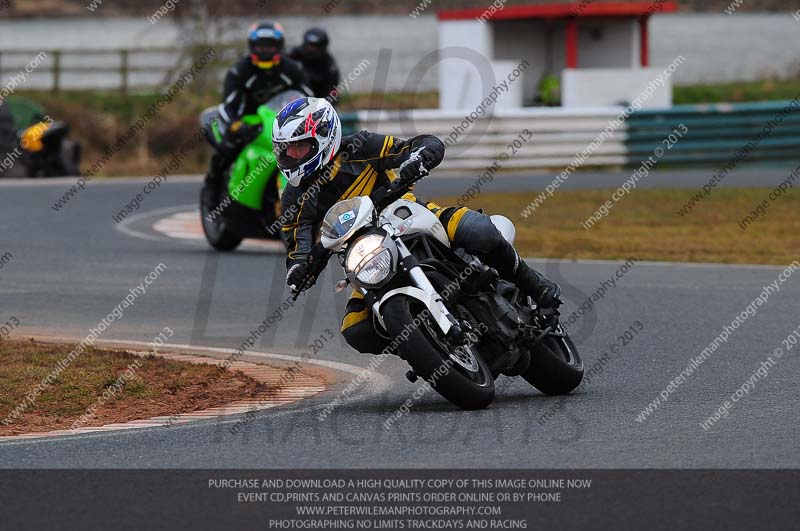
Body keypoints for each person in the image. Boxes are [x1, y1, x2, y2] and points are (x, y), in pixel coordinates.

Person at [274, 97, 562, 355]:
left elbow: (420, 144)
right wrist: (300, 269)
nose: (291, 157)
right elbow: (296, 248)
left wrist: (418, 158)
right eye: (286, 150)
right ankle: (426, 344)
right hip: (364, 259)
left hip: (408, 218)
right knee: (356, 331)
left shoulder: (359, 147)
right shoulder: (293, 197)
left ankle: (536, 285)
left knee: (478, 230)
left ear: (324, 136)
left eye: (299, 148)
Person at [203, 21, 311, 207]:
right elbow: (228, 105)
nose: (266, 50)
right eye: (261, 46)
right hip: (247, 121)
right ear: (252, 46)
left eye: (270, 46)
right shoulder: (239, 71)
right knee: (228, 147)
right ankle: (212, 189)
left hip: (282, 121)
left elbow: (309, 98)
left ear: (279, 46)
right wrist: (236, 125)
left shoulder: (293, 69)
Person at [288, 28, 340, 102]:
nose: (311, 49)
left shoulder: (329, 66)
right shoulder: (291, 55)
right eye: (309, 45)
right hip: (287, 99)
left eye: (315, 47)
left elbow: (332, 93)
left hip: (314, 102)